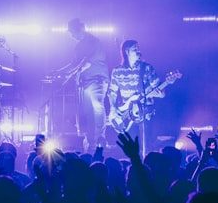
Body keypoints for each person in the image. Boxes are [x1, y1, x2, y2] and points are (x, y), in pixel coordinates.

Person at [57, 18, 108, 150]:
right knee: (86, 113)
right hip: (83, 83)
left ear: (81, 28)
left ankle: (99, 138)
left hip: (97, 80)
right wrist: (59, 71)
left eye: (73, 31)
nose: (72, 35)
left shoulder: (94, 42)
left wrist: (70, 73)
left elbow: (87, 63)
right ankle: (90, 141)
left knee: (97, 107)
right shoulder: (78, 46)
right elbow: (74, 63)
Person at [107, 39, 164, 153]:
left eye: (138, 48)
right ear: (127, 52)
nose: (138, 51)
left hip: (145, 111)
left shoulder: (146, 68)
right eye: (135, 49)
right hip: (127, 114)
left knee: (146, 146)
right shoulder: (117, 71)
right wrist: (113, 108)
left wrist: (160, 93)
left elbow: (160, 90)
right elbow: (112, 92)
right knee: (131, 147)